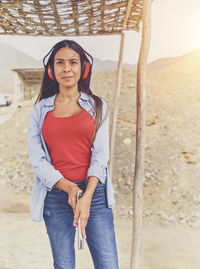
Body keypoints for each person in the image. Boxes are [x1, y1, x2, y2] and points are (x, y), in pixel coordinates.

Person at [28, 39, 119, 269]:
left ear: (83, 68)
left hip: (95, 196)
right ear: (51, 70)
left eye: (73, 62)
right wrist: (68, 188)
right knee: (64, 265)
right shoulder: (40, 110)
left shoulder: (98, 106)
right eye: (59, 63)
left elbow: (101, 155)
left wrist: (86, 196)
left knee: (108, 265)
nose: (66, 68)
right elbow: (37, 159)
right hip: (57, 197)